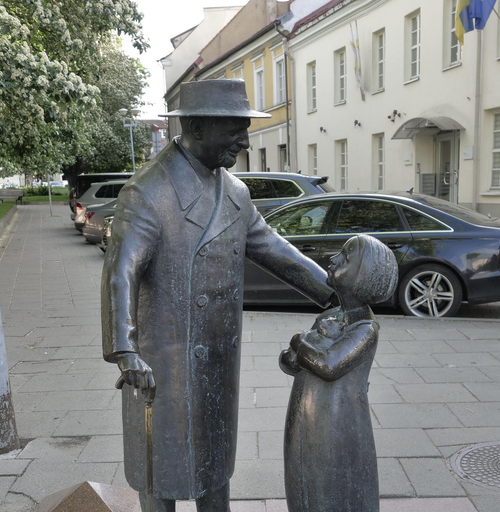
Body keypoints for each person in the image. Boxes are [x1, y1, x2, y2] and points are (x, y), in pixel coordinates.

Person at [101, 79, 334, 512]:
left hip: (216, 363)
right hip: (162, 364)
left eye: (244, 129)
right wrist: (124, 348)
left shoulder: (235, 192)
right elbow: (121, 270)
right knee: (161, 470)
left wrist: (335, 293)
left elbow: (273, 249)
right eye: (234, 130)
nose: (244, 142)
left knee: (213, 463)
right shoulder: (149, 191)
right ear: (196, 127)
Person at [280, 234, 398, 512]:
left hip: (336, 428)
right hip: (304, 420)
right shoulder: (329, 317)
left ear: (364, 276)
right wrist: (294, 355)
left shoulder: (365, 328)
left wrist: (300, 340)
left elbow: (328, 365)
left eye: (345, 257)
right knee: (302, 485)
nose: (333, 259)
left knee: (336, 490)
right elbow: (292, 363)